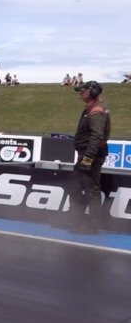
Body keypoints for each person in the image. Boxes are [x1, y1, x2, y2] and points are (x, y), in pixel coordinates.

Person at [69, 81, 111, 234]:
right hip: (87, 154)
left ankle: (92, 226)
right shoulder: (92, 109)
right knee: (75, 188)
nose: (80, 93)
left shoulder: (96, 110)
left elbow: (96, 136)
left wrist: (87, 159)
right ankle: (76, 222)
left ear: (92, 92)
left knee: (91, 191)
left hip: (90, 156)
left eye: (83, 90)